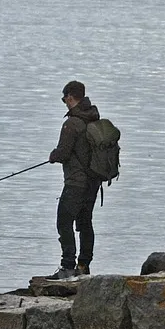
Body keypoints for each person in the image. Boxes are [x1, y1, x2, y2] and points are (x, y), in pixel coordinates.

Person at [46, 80, 102, 279]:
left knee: (64, 221)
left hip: (76, 182)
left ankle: (68, 266)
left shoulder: (72, 123)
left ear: (70, 96)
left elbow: (62, 153)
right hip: (94, 182)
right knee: (85, 223)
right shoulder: (93, 118)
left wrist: (53, 155)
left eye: (64, 98)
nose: (64, 102)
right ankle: (84, 266)